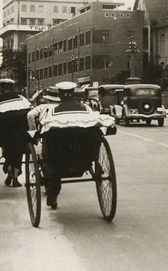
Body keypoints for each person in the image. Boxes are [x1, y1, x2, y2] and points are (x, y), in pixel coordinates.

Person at [35, 81, 114, 209]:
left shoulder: (53, 111)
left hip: (60, 156)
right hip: (85, 154)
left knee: (50, 143)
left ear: (59, 95)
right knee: (94, 133)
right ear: (73, 94)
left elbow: (45, 131)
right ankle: (96, 161)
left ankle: (53, 194)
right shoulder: (86, 109)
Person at [0, 78, 31, 187]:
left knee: (8, 150)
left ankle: (8, 169)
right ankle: (15, 176)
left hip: (5, 134)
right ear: (12, 88)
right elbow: (29, 112)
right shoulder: (22, 99)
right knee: (18, 152)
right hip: (20, 132)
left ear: (1, 88)